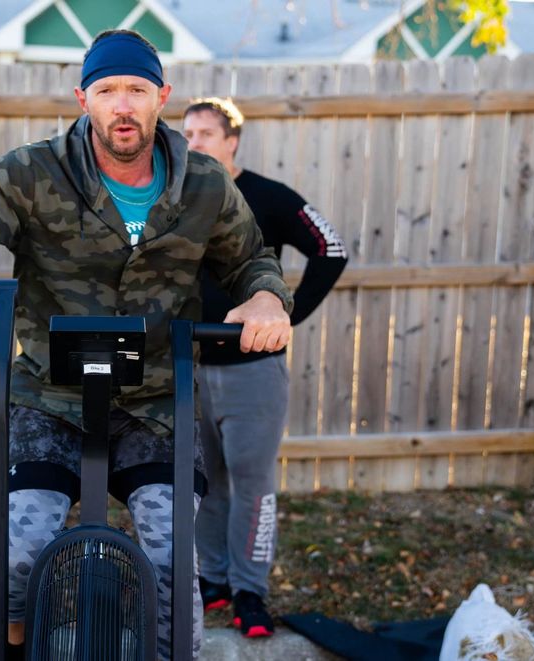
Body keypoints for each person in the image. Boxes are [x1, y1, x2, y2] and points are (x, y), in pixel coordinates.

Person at [0, 32, 293, 661]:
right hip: (50, 400)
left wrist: (266, 297)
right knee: (22, 548)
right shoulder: (33, 172)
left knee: (171, 557)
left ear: (162, 97)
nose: (122, 106)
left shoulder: (204, 184)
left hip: (154, 404)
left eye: (136, 90)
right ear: (83, 99)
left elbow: (252, 260)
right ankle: (15, 648)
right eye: (106, 91)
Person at [182, 98, 348, 639]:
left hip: (254, 372)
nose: (194, 143)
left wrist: (288, 313)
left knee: (251, 486)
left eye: (206, 133)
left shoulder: (268, 197)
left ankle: (250, 592)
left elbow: (331, 247)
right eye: (186, 133)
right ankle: (215, 584)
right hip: (192, 367)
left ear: (232, 141)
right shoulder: (172, 197)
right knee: (203, 483)